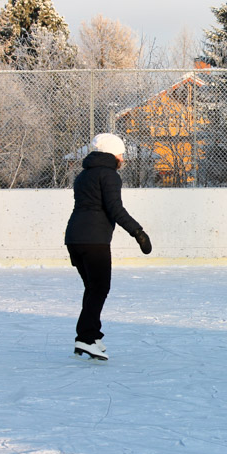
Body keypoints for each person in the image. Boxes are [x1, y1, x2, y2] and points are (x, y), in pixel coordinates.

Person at [65, 133, 152, 360]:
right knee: (100, 288)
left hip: (74, 238)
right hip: (94, 240)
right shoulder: (109, 175)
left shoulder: (83, 175)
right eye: (121, 153)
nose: (123, 158)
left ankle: (92, 336)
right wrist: (138, 232)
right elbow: (115, 209)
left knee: (93, 288)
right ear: (113, 154)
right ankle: (84, 338)